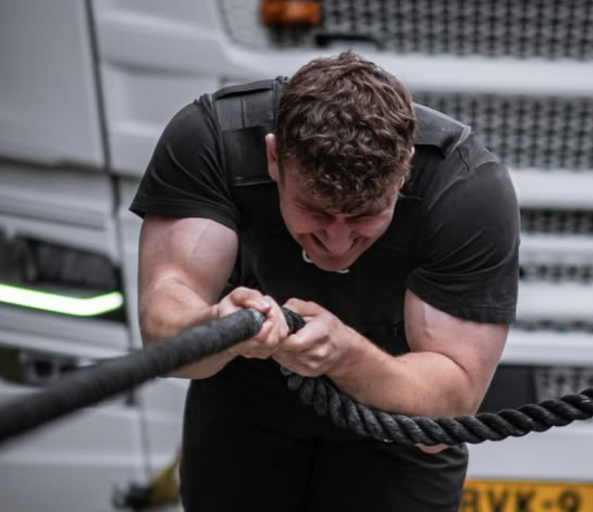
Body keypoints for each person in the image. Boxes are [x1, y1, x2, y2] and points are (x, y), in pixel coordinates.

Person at [130, 51, 520, 512]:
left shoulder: (466, 191)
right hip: (244, 399)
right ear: (274, 158)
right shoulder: (213, 141)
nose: (336, 242)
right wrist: (216, 325)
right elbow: (162, 328)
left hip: (395, 411)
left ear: (405, 170)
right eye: (315, 212)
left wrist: (346, 355)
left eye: (364, 216)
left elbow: (446, 413)